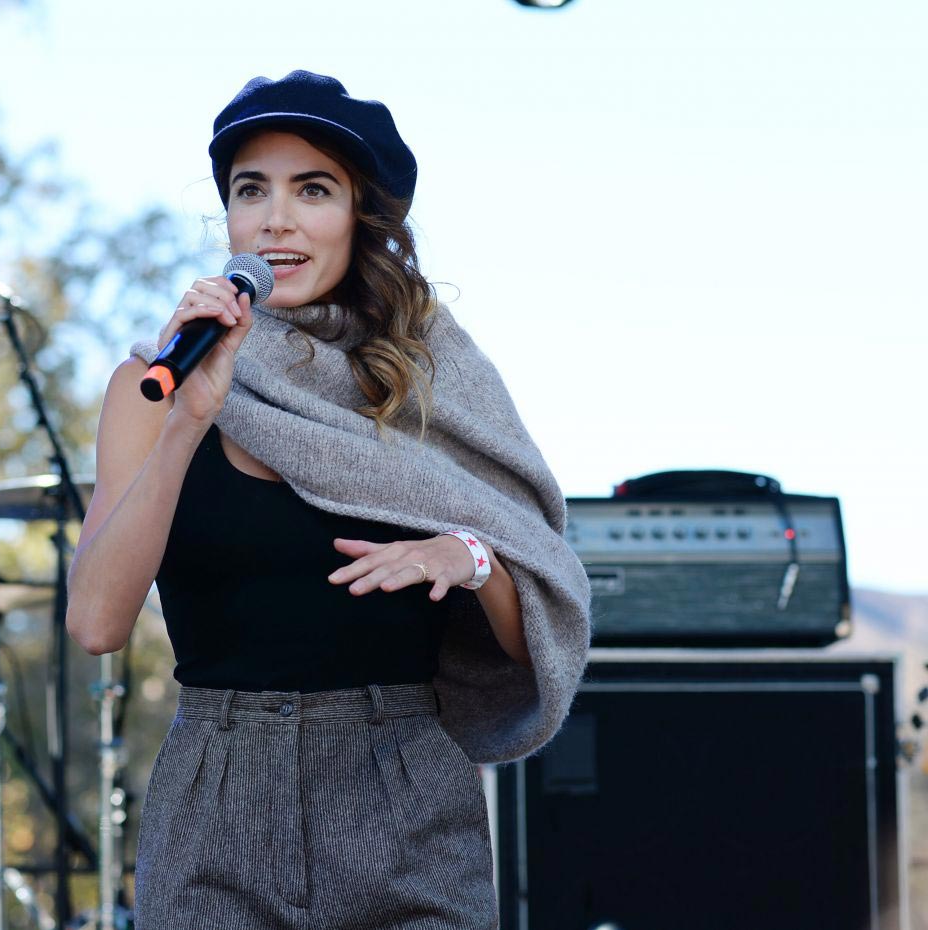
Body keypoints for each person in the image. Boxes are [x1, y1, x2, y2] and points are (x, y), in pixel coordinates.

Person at [66, 70, 591, 930]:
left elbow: (539, 610)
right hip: (216, 796)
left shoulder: (434, 385)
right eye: (251, 190)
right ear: (227, 218)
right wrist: (190, 420)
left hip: (404, 792)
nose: (277, 219)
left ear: (361, 218)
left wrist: (468, 556)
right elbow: (95, 624)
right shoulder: (156, 382)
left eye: (313, 190)